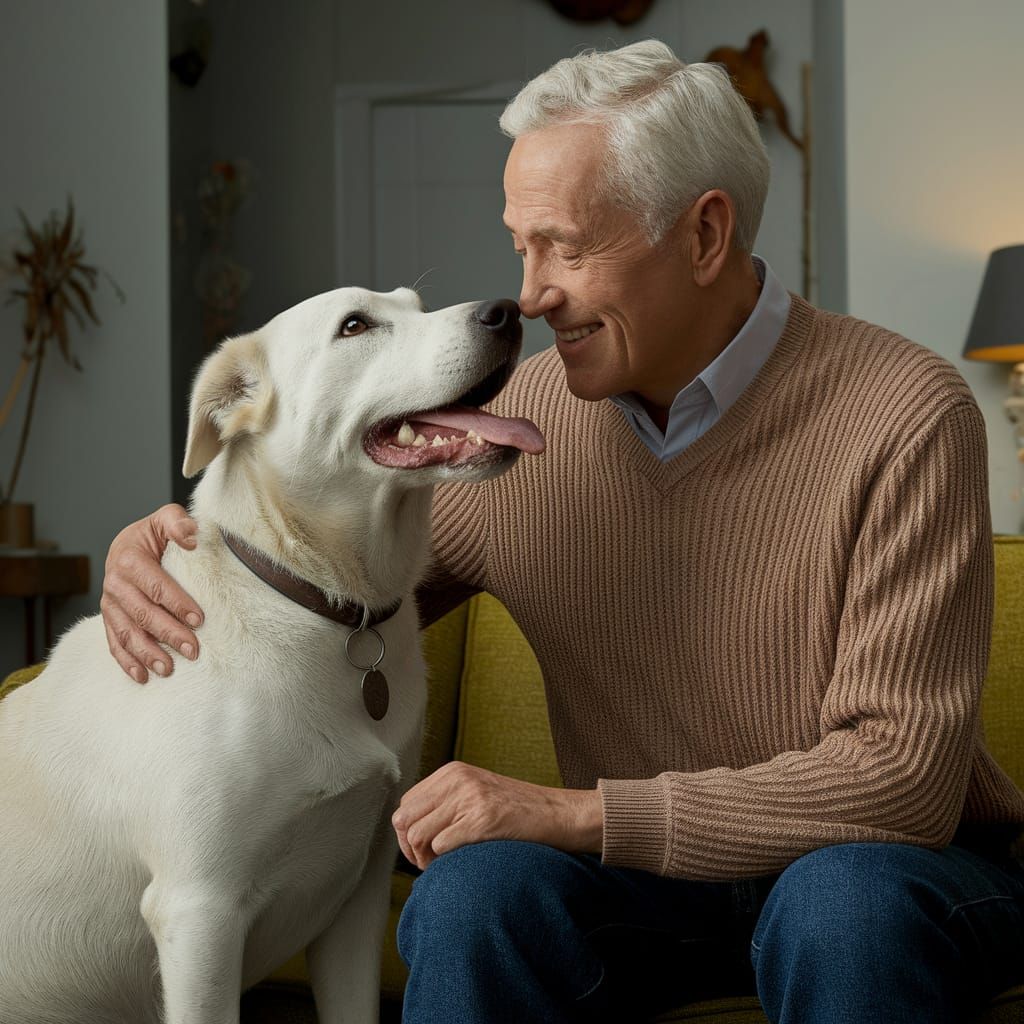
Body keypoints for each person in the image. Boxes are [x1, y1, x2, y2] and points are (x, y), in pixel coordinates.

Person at [100, 40, 1024, 1024]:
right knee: (473, 898)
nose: (532, 293)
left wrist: (579, 815)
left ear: (705, 235)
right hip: (651, 891)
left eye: (567, 248)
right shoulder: (511, 437)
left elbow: (901, 783)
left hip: (892, 875)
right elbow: (324, 592)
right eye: (521, 246)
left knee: (839, 904)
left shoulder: (904, 412)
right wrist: (169, 559)